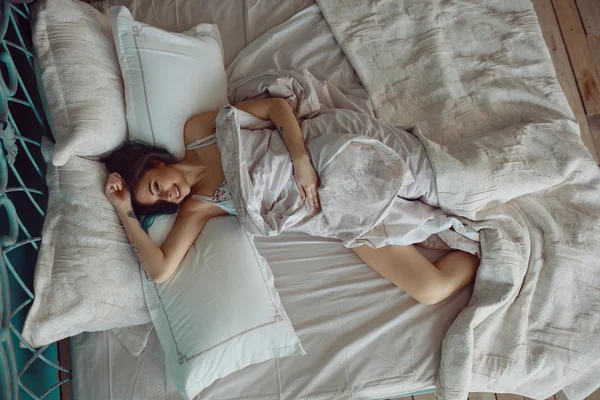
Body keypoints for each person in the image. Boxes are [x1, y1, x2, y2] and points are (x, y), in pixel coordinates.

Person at [104, 97, 479, 305]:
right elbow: (160, 270)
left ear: (156, 163)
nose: (169, 196)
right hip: (327, 214)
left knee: (449, 187)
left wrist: (300, 160)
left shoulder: (199, 130)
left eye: (156, 186)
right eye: (160, 203)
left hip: (323, 158)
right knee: (430, 290)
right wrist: (124, 212)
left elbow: (275, 108)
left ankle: (474, 206)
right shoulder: (199, 208)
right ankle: (490, 251)